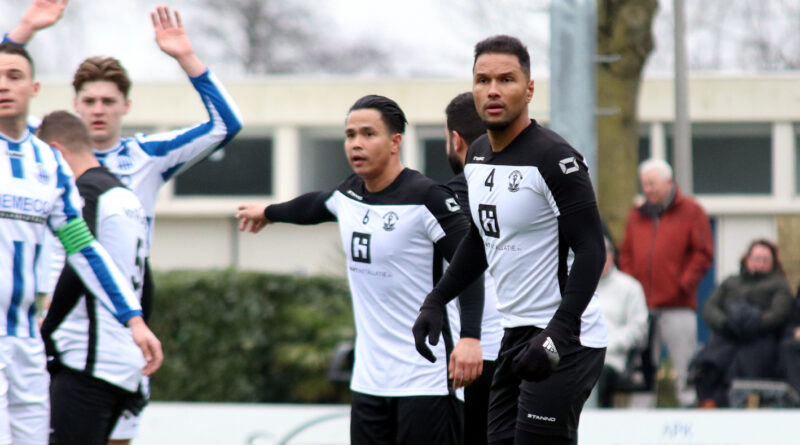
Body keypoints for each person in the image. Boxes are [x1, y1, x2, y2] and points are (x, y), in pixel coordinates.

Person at [8, 3, 243, 442]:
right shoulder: (46, 144)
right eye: (89, 101)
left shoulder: (147, 156)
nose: (98, 110)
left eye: (108, 101)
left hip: (121, 333)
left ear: (126, 106)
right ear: (74, 106)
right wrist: (24, 31)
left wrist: (186, 58)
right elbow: (8, 89)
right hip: (62, 335)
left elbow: (226, 124)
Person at [236, 95, 482, 445]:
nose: (356, 144)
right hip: (369, 383)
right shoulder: (349, 195)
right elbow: (314, 205)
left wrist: (470, 338)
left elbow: (470, 265)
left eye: (368, 134)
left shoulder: (428, 198)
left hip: (426, 379)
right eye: (350, 135)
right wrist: (268, 213)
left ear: (395, 142)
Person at [413, 35, 607, 445]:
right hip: (514, 334)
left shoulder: (555, 158)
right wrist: (436, 300)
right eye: (483, 80)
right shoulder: (477, 155)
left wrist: (560, 329)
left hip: (566, 337)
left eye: (506, 79)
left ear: (529, 89)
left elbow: (592, 249)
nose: (493, 90)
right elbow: (480, 240)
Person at [0, 42, 161, 445]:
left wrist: (134, 320)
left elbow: (84, 249)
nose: (3, 85)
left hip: (27, 345)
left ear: (35, 89)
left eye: (14, 76)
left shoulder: (50, 164)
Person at [36, 111, 159, 444]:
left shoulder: (84, 193)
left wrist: (45, 335)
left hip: (86, 360)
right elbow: (146, 279)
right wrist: (138, 328)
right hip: (123, 365)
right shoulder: (125, 195)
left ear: (56, 152)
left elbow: (79, 264)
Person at [619, 158, 713, 406]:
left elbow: (703, 253)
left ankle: (689, 412)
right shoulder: (636, 215)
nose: (647, 189)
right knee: (641, 370)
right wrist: (632, 287)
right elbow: (626, 253)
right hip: (642, 308)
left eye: (652, 184)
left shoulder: (692, 211)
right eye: (644, 184)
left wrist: (683, 283)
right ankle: (640, 418)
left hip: (678, 305)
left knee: (685, 367)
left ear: (668, 183)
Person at [444, 91, 504, 444]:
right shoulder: (531, 184)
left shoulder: (442, 200)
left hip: (470, 357)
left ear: (455, 140)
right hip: (530, 347)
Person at [693, 239, 793, 407]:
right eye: (756, 259)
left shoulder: (779, 284)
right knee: (710, 361)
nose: (760, 264)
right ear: (747, 259)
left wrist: (757, 322)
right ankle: (708, 403)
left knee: (743, 364)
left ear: (773, 263)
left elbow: (780, 312)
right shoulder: (731, 282)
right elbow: (710, 307)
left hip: (761, 337)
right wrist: (724, 323)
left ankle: (736, 404)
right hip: (728, 334)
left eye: (765, 260)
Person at [594, 236, 648, 408]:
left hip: (613, 359)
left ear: (612, 256)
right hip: (580, 355)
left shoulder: (630, 287)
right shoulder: (579, 286)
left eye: (604, 254)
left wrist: (609, 344)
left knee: (594, 377)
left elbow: (639, 328)